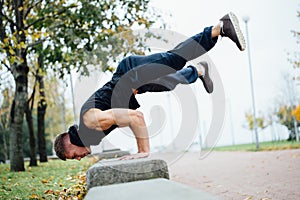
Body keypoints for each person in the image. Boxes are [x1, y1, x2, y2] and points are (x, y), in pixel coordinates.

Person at [54, 12, 246, 161]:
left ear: (68, 142)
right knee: (169, 83)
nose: (79, 158)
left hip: (130, 73)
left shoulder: (90, 122)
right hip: (133, 82)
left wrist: (142, 151)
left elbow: (135, 118)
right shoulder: (90, 132)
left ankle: (220, 27)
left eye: (74, 156)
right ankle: (199, 71)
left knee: (173, 60)